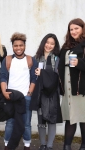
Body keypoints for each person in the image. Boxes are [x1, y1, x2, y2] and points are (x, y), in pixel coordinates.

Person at [0, 32, 38, 150]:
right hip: (10, 96)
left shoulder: (31, 60)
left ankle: (27, 145)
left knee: (26, 124)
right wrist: (4, 92)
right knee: (10, 123)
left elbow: (34, 79)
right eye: (16, 46)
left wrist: (29, 94)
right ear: (12, 47)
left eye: (21, 45)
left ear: (24, 46)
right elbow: (3, 77)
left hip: (25, 98)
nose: (18, 48)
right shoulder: (7, 60)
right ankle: (7, 144)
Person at [30, 33, 62, 150]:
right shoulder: (36, 58)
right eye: (47, 43)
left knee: (52, 119)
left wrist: (42, 73)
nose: (49, 46)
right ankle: (43, 144)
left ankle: (49, 146)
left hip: (53, 92)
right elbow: (33, 76)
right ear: (43, 43)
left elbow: (57, 76)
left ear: (55, 46)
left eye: (52, 44)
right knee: (41, 118)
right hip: (40, 92)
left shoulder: (57, 58)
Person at [58, 18, 85, 150]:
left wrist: (79, 63)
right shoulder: (66, 46)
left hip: (81, 90)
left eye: (76, 28)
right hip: (67, 90)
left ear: (83, 29)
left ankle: (83, 146)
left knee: (83, 118)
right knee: (70, 119)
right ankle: (66, 146)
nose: (73, 31)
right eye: (71, 29)